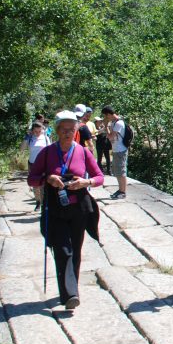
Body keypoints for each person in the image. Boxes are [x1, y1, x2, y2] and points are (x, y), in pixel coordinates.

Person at [28, 110, 104, 310]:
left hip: (79, 207)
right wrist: (48, 179)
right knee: (62, 250)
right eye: (64, 129)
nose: (68, 133)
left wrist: (85, 182)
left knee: (76, 251)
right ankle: (70, 294)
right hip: (55, 208)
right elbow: (32, 178)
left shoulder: (82, 151)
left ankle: (72, 289)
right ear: (57, 130)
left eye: (72, 129)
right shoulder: (47, 153)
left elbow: (99, 177)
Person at [20, 121, 50, 209]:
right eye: (35, 131)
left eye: (39, 131)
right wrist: (26, 138)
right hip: (32, 164)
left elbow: (50, 150)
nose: (37, 133)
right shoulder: (30, 138)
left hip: (44, 164)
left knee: (44, 185)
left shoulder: (45, 138)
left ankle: (44, 203)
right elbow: (22, 149)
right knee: (35, 184)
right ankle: (38, 201)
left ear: (42, 130)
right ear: (32, 131)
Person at [101, 105, 128, 200]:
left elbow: (111, 137)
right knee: (117, 171)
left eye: (105, 116)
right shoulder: (114, 122)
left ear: (108, 114)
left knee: (121, 170)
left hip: (121, 150)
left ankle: (123, 192)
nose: (105, 118)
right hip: (116, 149)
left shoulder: (119, 123)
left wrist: (106, 126)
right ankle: (120, 190)